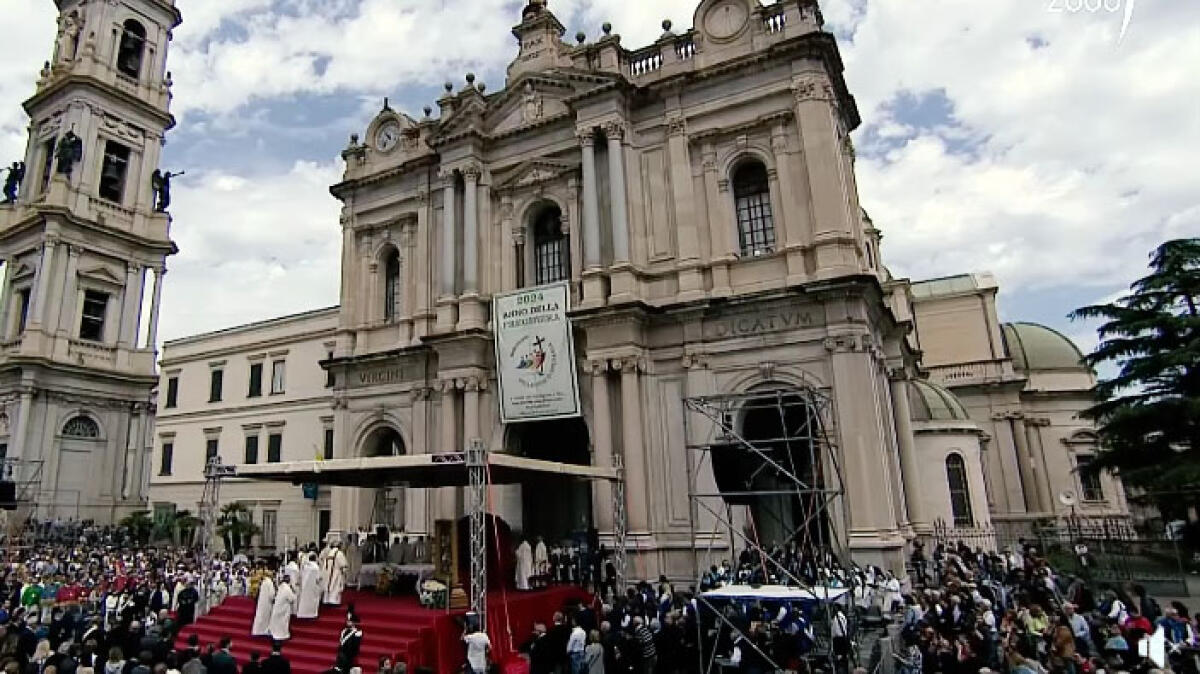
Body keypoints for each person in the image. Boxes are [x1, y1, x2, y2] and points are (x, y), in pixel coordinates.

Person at [320, 542, 348, 606]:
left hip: (328, 573)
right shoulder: (339, 553)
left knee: (328, 585)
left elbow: (324, 565)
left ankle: (326, 600)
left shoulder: (329, 553)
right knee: (335, 587)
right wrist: (344, 572)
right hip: (336, 573)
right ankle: (334, 601)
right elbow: (343, 565)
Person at [296, 554, 322, 619]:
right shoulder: (316, 567)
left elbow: (300, 575)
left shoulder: (305, 566)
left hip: (304, 586)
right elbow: (318, 578)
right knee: (312, 600)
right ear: (315, 559)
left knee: (303, 600)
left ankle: (302, 614)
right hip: (313, 587)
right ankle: (311, 614)